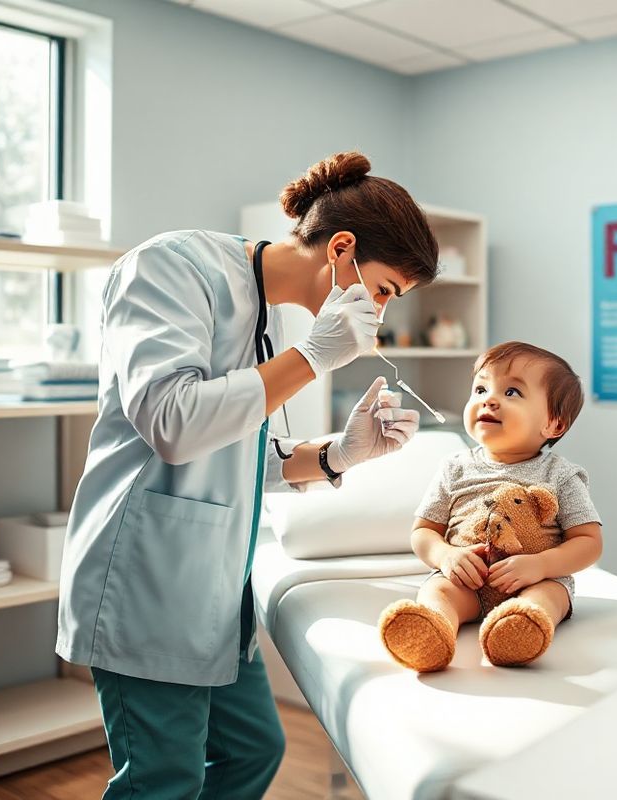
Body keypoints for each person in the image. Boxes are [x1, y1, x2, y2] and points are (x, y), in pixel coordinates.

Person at [56, 151, 438, 798]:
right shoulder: (171, 268)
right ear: (341, 249)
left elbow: (232, 451)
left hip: (214, 589)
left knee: (254, 752)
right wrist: (311, 358)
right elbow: (173, 423)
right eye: (381, 291)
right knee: (163, 780)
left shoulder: (267, 313)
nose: (378, 314)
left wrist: (338, 455)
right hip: (146, 578)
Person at [378, 341, 603, 672]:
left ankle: (520, 630)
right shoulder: (454, 467)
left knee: (549, 597)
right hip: (465, 582)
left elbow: (589, 543)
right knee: (439, 589)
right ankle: (432, 631)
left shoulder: (561, 475)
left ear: (553, 425)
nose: (490, 399)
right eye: (481, 388)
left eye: (512, 392)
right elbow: (424, 532)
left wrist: (540, 566)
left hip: (534, 581)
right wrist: (446, 556)